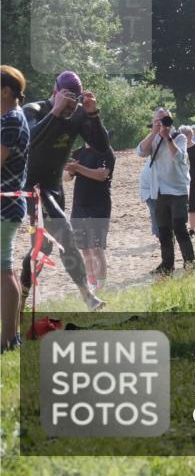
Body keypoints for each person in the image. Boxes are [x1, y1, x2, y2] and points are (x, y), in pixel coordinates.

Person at [18, 71, 107, 311]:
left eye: (75, 100)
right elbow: (28, 141)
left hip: (54, 188)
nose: (71, 105)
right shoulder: (34, 110)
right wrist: (55, 112)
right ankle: (87, 296)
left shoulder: (77, 115)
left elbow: (101, 147)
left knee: (43, 247)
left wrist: (93, 114)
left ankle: (22, 292)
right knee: (65, 232)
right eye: (67, 98)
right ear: (55, 91)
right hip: (33, 189)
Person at [138, 108, 195, 276]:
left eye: (165, 120)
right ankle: (167, 264)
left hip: (178, 190)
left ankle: (190, 262)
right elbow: (140, 152)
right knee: (163, 230)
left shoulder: (180, 137)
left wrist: (167, 136)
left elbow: (179, 157)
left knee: (179, 227)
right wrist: (154, 133)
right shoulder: (153, 138)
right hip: (159, 190)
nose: (162, 123)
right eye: (158, 120)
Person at [1, 66, 30, 351]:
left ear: (6, 91)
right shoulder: (10, 118)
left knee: (4, 270)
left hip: (4, 205)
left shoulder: (10, 120)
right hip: (7, 203)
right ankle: (10, 334)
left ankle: (8, 338)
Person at [65, 140, 115, 291]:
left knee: (97, 247)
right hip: (79, 205)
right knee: (85, 248)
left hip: (99, 206)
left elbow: (101, 174)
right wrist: (72, 170)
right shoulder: (78, 152)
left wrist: (78, 168)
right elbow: (66, 177)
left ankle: (101, 285)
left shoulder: (106, 151)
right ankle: (91, 282)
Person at [179, 126, 195, 237]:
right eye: (182, 134)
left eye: (186, 134)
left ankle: (192, 230)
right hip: (178, 181)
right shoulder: (178, 149)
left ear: (191, 135)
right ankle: (180, 229)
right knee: (179, 206)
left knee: (192, 207)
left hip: (192, 181)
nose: (185, 136)